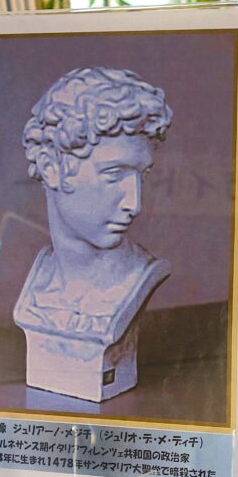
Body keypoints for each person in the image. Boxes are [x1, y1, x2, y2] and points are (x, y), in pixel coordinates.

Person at [13, 67, 173, 402]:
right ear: (51, 168)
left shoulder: (139, 276)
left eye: (142, 175)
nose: (135, 204)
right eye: (114, 175)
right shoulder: (40, 277)